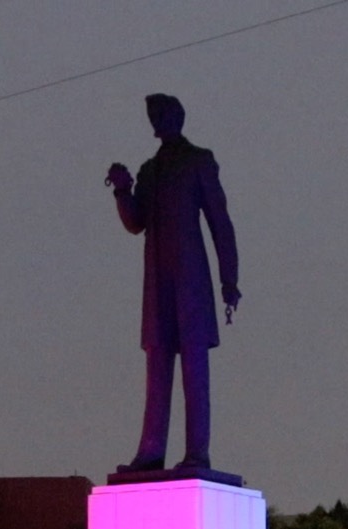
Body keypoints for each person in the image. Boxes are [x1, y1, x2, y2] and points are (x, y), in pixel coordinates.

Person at [106, 93, 240, 472]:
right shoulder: (150, 171)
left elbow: (220, 224)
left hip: (192, 283)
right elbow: (136, 223)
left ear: (178, 118)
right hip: (158, 284)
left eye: (164, 114)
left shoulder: (199, 161)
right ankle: (151, 450)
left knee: (195, 369)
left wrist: (229, 280)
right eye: (155, 116)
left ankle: (197, 451)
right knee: (158, 365)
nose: (160, 121)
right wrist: (122, 190)